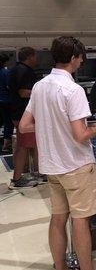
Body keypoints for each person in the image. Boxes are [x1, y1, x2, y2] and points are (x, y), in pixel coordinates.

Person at [19, 36, 96, 270]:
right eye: (80, 58)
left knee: (58, 218)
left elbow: (24, 126)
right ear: (73, 58)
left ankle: (59, 266)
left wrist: (51, 125)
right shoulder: (73, 89)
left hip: (52, 166)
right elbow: (80, 135)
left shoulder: (40, 86)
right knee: (80, 221)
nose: (81, 63)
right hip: (76, 165)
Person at [8, 46, 40, 189]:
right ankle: (17, 179)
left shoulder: (14, 69)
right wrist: (41, 90)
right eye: (35, 56)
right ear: (30, 57)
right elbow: (23, 92)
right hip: (23, 115)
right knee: (23, 146)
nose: (36, 59)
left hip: (17, 112)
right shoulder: (24, 71)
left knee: (31, 145)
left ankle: (39, 172)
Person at [0, 54, 13, 153]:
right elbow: (9, 86)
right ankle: (6, 145)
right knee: (8, 123)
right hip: (6, 101)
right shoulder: (6, 72)